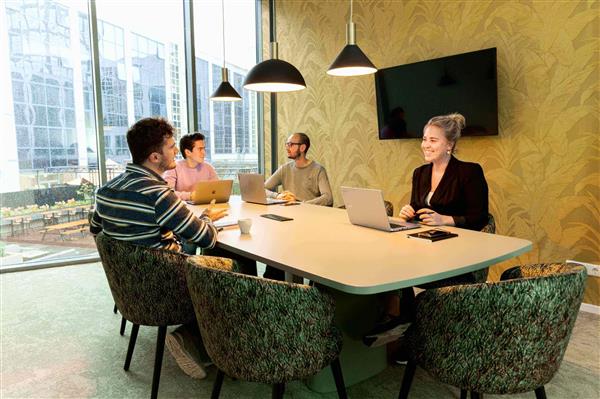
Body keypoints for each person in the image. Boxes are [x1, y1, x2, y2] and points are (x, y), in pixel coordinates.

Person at [90, 117, 227, 380]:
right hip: (166, 286)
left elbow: (97, 232)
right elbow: (205, 238)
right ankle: (192, 339)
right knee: (229, 268)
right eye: (172, 147)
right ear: (155, 156)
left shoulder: (105, 191)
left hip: (129, 286)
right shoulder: (158, 193)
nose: (176, 151)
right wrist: (208, 216)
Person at [364, 113, 489, 351]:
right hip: (424, 245)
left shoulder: (469, 172)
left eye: (433, 140)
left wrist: (446, 220)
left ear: (449, 144)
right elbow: (420, 211)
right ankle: (400, 319)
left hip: (457, 253)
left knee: (397, 267)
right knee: (383, 260)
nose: (425, 145)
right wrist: (408, 212)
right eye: (424, 139)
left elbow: (481, 217)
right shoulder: (420, 173)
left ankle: (403, 322)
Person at [264, 132, 333, 206]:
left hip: (309, 212)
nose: (287, 148)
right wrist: (277, 196)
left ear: (302, 148)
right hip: (288, 212)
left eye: (290, 144)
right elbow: (262, 189)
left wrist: (302, 204)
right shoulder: (284, 169)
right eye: (287, 144)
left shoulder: (318, 170)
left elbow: (328, 198)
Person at [163, 132, 218, 201]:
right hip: (182, 207)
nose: (204, 152)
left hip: (204, 205)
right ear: (188, 152)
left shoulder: (208, 168)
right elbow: (167, 193)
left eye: (204, 149)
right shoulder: (173, 168)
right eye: (200, 149)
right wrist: (191, 196)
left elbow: (217, 191)